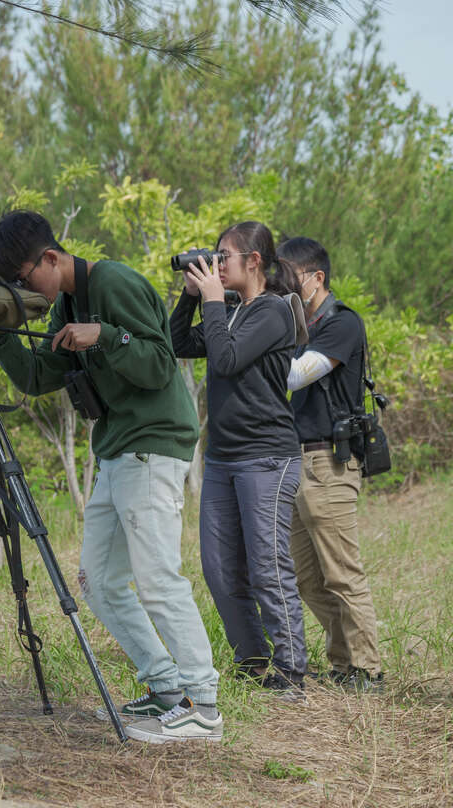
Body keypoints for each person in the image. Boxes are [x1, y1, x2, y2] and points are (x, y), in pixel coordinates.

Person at [0, 210, 222, 743]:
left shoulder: (113, 282)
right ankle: (166, 689)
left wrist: (104, 335)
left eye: (24, 280)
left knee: (158, 578)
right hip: (115, 450)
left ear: (50, 258)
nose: (26, 290)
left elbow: (161, 366)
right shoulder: (66, 302)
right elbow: (36, 375)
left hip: (153, 443)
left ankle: (202, 705)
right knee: (98, 582)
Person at [170, 221, 308, 701]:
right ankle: (252, 664)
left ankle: (292, 672)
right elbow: (178, 344)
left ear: (254, 261)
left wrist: (211, 301)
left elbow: (225, 361)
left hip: (267, 458)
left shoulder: (273, 313)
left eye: (223, 256)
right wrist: (193, 296)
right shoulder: (228, 310)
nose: (217, 264)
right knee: (220, 570)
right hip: (225, 459)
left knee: (267, 565)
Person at [277, 236, 383, 692]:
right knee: (306, 577)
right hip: (299, 460)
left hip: (329, 463)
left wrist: (259, 343)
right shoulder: (298, 326)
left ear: (316, 277)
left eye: (289, 277)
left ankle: (369, 670)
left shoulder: (342, 324)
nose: (282, 286)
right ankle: (343, 664)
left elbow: (296, 375)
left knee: (342, 573)